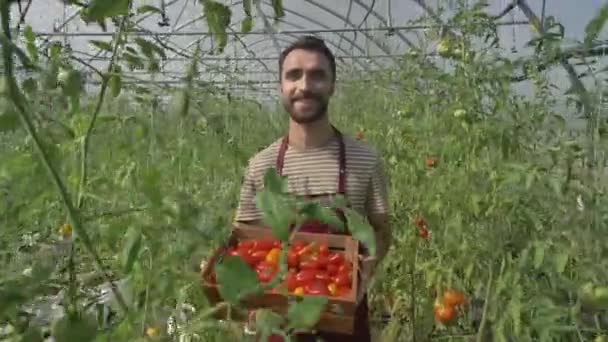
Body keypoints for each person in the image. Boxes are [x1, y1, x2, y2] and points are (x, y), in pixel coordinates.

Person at [233, 35, 392, 342]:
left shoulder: (365, 160)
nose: (304, 86)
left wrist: (367, 268)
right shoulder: (261, 166)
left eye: (317, 75)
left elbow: (382, 230)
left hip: (343, 317)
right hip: (278, 322)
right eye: (294, 75)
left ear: (332, 85)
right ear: (281, 86)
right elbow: (245, 239)